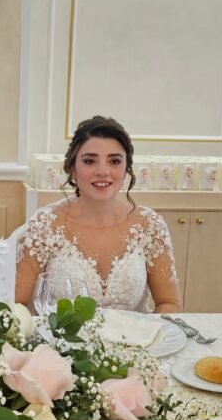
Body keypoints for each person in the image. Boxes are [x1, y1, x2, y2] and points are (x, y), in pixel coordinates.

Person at [15, 116, 182, 313]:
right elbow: (17, 306)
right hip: (60, 334)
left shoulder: (149, 225)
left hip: (133, 333)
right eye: (89, 161)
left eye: (114, 161)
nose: (103, 171)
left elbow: (169, 304)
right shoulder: (44, 226)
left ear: (126, 169)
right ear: (72, 170)